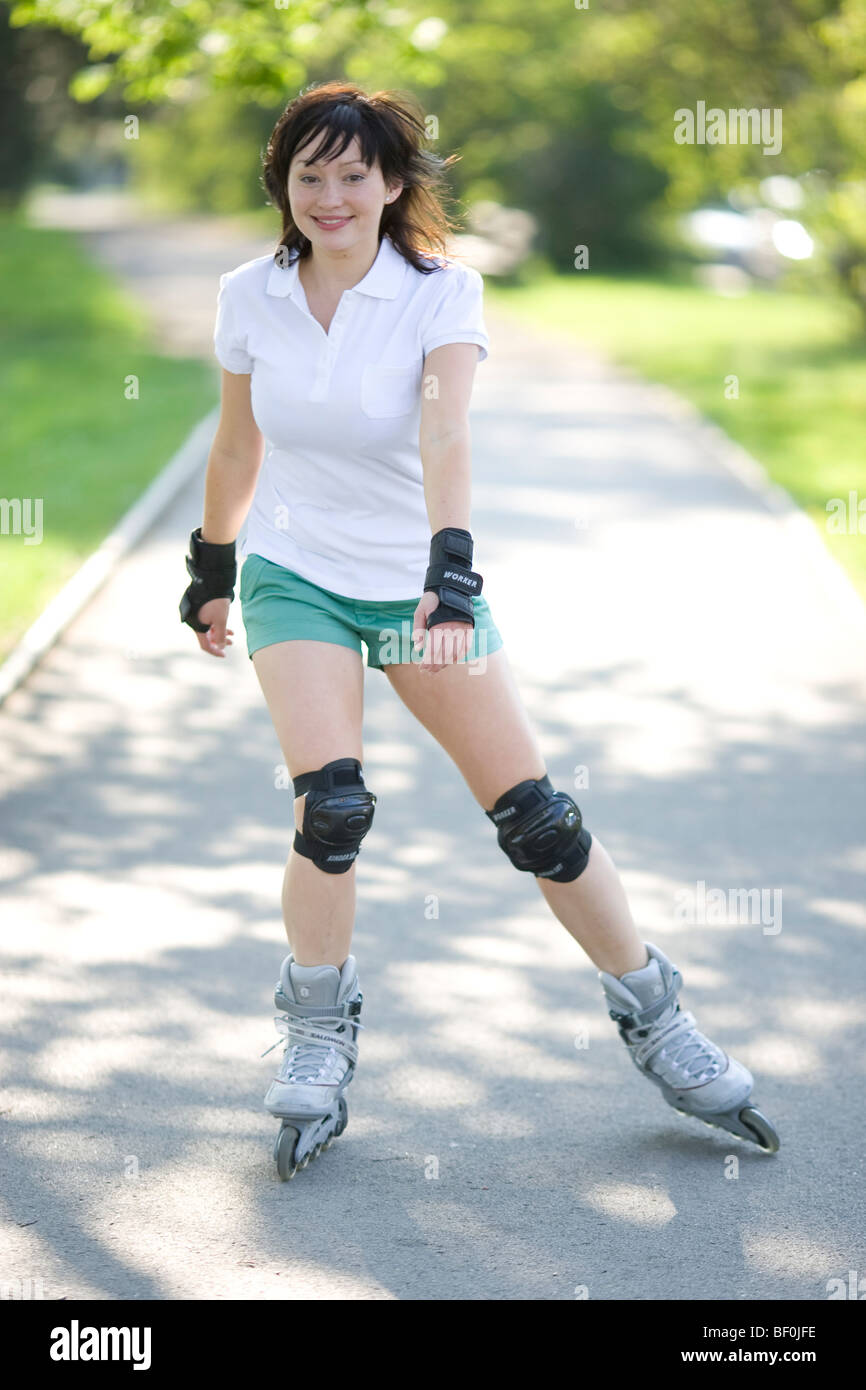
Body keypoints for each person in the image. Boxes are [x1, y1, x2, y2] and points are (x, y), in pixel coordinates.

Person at [179, 80, 779, 1177]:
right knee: (332, 805)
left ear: (392, 183)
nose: (329, 196)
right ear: (283, 185)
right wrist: (212, 567)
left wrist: (450, 574)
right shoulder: (249, 296)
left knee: (536, 820)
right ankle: (315, 1028)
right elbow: (233, 446)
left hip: (415, 585)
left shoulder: (439, 291)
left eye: (352, 175)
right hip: (297, 574)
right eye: (307, 175)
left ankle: (655, 1014)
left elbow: (445, 431)